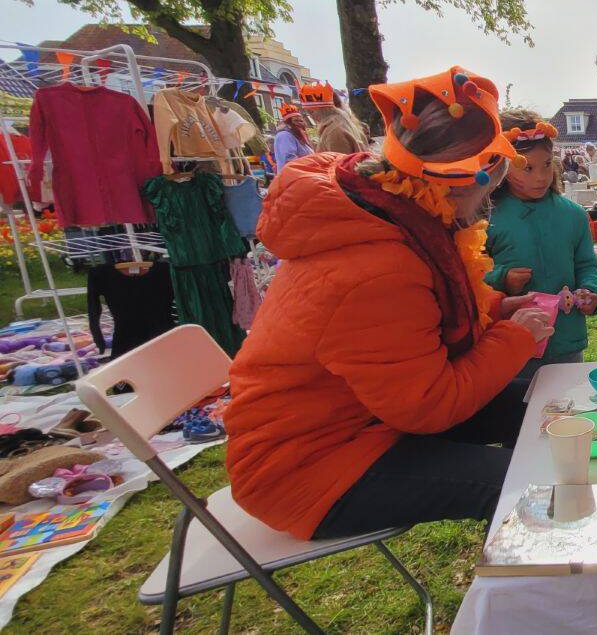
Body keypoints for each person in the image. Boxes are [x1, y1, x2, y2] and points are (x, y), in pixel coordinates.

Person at [226, 67, 554, 541]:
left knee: (541, 406)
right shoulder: (382, 269)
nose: (485, 205)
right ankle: (543, 592)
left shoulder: (387, 211)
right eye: (487, 191)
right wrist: (515, 336)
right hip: (307, 467)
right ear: (457, 185)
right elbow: (430, 405)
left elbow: (419, 333)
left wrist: (497, 311)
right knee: (520, 481)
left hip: (365, 420)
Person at [484, 109, 597, 384]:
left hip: (566, 341)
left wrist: (593, 293)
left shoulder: (573, 214)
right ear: (502, 165)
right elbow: (471, 275)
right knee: (518, 412)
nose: (540, 176)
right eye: (527, 167)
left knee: (568, 411)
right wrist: (501, 277)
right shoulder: (487, 218)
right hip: (513, 343)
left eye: (547, 164)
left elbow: (586, 265)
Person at [272, 104, 313, 172]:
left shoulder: (299, 136)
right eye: (296, 121)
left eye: (301, 121)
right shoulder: (284, 136)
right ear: (288, 123)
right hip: (294, 178)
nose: (300, 123)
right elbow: (290, 160)